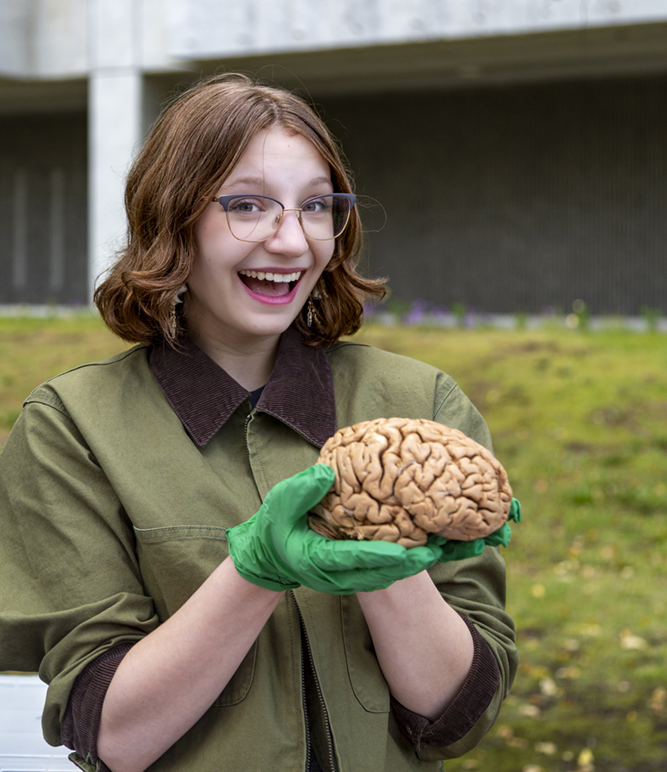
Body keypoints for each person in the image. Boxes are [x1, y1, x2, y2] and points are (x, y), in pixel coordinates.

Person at [0, 74, 517, 772]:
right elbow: (114, 736)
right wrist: (256, 571)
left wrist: (386, 553)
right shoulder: (73, 427)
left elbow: (455, 717)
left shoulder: (419, 400)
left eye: (315, 207)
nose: (292, 241)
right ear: (173, 217)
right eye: (248, 205)